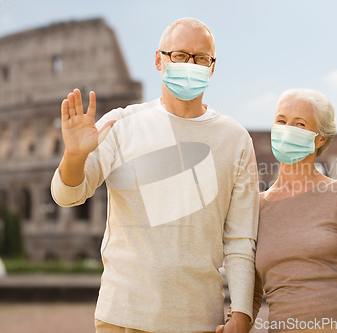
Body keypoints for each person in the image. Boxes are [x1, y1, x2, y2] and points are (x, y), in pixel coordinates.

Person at [51, 18, 258, 333]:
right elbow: (67, 195)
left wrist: (241, 315)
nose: (191, 64)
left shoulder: (235, 139)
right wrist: (75, 155)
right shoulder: (122, 124)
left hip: (200, 317)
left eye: (202, 58)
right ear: (159, 60)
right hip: (122, 315)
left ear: (212, 67)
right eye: (180, 55)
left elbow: (241, 238)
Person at [217, 88, 337, 333]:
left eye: (299, 124)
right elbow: (252, 289)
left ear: (320, 138)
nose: (287, 129)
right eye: (281, 121)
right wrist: (236, 322)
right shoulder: (255, 208)